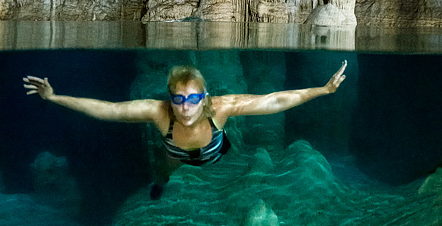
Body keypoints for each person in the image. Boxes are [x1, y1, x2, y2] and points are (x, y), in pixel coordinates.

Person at [23, 60, 347, 199]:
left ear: (204, 98)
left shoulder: (221, 106)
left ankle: (221, 158)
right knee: (165, 174)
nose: (186, 107)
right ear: (170, 98)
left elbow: (274, 101)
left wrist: (323, 90)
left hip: (214, 153)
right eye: (178, 99)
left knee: (223, 155)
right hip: (175, 154)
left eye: (193, 99)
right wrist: (54, 97)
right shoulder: (159, 112)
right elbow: (109, 111)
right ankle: (161, 185)